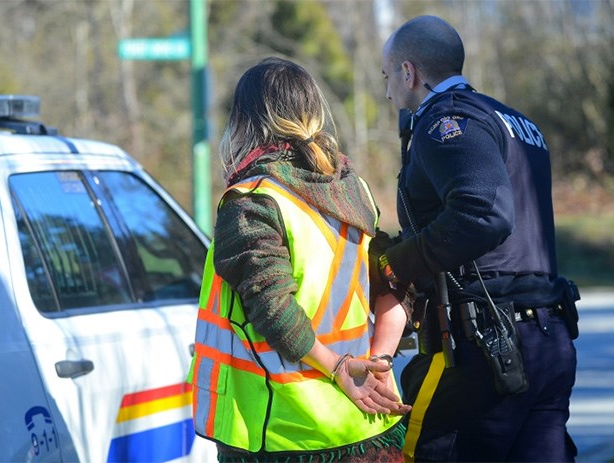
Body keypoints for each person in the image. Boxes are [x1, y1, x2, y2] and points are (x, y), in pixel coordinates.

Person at [374, 15, 580, 462]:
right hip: (549, 341)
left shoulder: (446, 122)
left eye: (388, 76)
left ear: (409, 72)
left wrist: (396, 264)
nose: (387, 90)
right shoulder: (515, 121)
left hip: (483, 348)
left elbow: (483, 212)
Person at [190, 56, 412, 463]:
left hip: (286, 435)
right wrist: (378, 362)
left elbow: (274, 311)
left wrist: (341, 368)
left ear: (245, 122)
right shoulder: (353, 190)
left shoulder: (252, 199)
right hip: (368, 423)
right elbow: (393, 283)